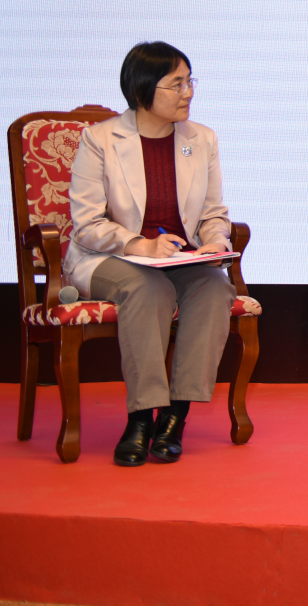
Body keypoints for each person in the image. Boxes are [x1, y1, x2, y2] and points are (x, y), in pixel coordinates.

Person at [65, 42, 236, 466]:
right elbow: (86, 223)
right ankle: (140, 418)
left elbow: (213, 213)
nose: (188, 93)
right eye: (176, 84)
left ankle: (175, 416)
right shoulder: (100, 139)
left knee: (215, 288)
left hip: (177, 260)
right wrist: (138, 245)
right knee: (148, 288)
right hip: (107, 258)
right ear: (143, 89)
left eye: (190, 81)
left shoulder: (201, 139)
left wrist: (216, 242)